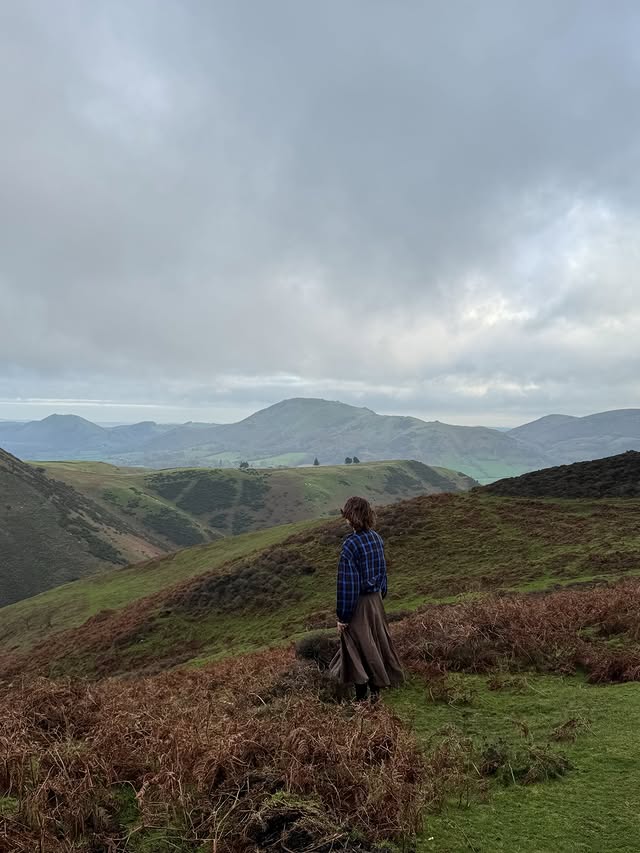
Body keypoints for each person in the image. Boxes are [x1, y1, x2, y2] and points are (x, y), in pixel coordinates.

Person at [330, 496, 403, 702]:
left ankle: (362, 697)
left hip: (360, 603)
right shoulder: (376, 538)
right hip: (376, 600)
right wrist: (380, 595)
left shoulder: (350, 545)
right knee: (375, 643)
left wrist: (343, 617)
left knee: (357, 646)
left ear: (351, 517)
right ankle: (376, 692)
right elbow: (383, 570)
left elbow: (347, 584)